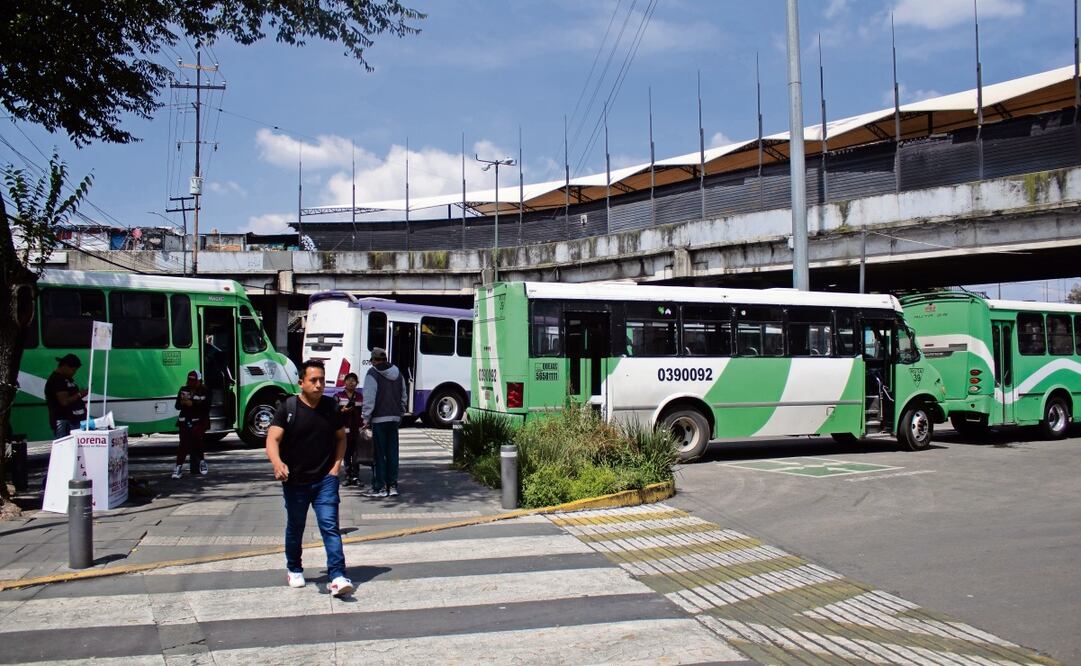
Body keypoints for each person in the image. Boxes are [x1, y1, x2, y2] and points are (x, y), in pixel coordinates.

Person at [265, 359, 354, 597]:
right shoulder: (288, 408)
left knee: (330, 527)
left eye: (322, 380)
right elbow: (272, 440)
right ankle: (294, 568)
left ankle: (337, 575)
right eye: (313, 380)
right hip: (295, 481)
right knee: (296, 526)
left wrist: (336, 468)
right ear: (301, 382)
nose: (318, 385)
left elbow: (341, 438)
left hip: (325, 479)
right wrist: (277, 463)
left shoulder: (331, 407)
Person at [361, 347, 407, 499]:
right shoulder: (398, 373)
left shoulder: (372, 374)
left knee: (379, 454)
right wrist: (401, 412)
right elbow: (404, 395)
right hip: (394, 418)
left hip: (379, 418)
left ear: (373, 360)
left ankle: (379, 487)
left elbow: (369, 398)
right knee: (393, 453)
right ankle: (392, 486)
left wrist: (365, 418)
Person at [173, 370, 210, 479]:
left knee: (196, 437)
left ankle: (201, 461)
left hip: (199, 420)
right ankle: (178, 466)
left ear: (199, 381)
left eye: (194, 381)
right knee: (184, 443)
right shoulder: (183, 390)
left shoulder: (205, 391)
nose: (191, 383)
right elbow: (177, 406)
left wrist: (192, 403)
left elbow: (206, 407)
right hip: (185, 419)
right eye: (190, 380)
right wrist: (182, 402)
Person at [44, 354, 88, 438]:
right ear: (65, 366)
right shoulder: (57, 380)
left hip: (70, 419)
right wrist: (79, 394)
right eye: (73, 370)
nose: (74, 373)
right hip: (63, 420)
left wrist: (80, 394)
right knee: (64, 445)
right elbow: (64, 401)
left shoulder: (65, 379)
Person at [334, 372, 363, 486]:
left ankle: (356, 476)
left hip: (357, 430)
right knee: (346, 454)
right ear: (344, 382)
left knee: (356, 455)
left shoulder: (360, 396)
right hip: (344, 430)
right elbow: (333, 412)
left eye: (353, 380)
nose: (351, 382)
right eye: (349, 380)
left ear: (357, 383)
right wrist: (342, 411)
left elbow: (364, 412)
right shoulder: (338, 396)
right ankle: (347, 476)